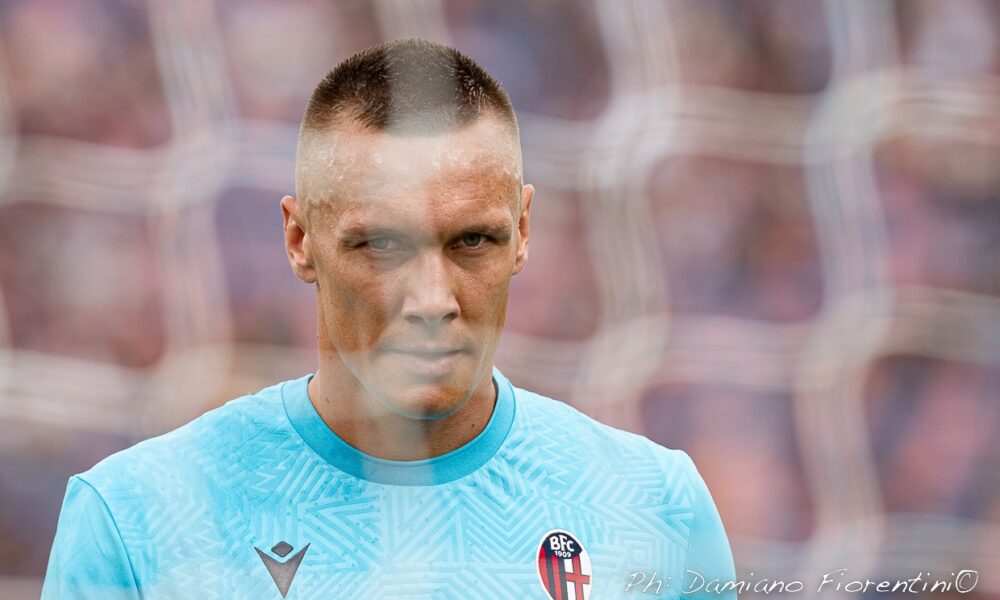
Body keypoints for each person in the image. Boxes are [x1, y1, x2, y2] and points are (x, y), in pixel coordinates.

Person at [41, 38, 736, 599]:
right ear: (299, 240)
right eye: (381, 246)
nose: (431, 300)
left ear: (523, 230)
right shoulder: (135, 518)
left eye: (472, 240)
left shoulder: (657, 508)